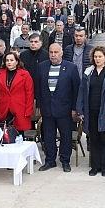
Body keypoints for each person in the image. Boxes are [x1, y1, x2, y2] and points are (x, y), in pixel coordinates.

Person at [76, 46, 105, 176]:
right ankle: (95, 167)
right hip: (91, 111)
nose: (97, 59)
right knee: (93, 139)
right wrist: (80, 109)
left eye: (100, 56)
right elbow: (82, 91)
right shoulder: (88, 72)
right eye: (95, 56)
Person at [36, 43, 80, 173]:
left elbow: (76, 90)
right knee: (49, 136)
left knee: (65, 136)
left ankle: (65, 160)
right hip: (47, 109)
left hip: (65, 110)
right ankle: (50, 160)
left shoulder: (71, 68)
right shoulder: (42, 67)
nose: (53, 55)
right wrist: (39, 105)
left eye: (56, 52)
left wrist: (74, 109)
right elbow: (38, 88)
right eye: (51, 52)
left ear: (61, 53)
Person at [0, 51, 34, 134]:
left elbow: (30, 93)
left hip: (20, 108)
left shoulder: (25, 74)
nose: (9, 62)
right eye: (7, 60)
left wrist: (28, 110)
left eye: (11, 60)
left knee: (19, 135)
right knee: (4, 135)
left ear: (17, 61)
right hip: (4, 108)